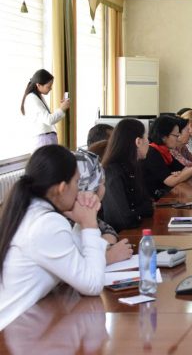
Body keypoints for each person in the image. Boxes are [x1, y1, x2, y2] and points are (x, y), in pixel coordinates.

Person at [0, 145, 106, 330]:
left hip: (22, 326)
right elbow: (93, 284)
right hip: (11, 333)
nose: (79, 189)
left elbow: (73, 265)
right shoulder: (46, 224)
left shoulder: (30, 210)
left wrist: (81, 221)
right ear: (62, 188)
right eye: (77, 182)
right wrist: (89, 224)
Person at [72, 149, 133, 265]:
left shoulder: (82, 208)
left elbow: (108, 229)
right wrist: (108, 256)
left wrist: (106, 247)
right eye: (102, 183)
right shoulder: (63, 218)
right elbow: (73, 267)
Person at [102, 119, 154, 232]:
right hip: (118, 236)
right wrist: (139, 212)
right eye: (146, 138)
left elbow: (148, 207)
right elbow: (122, 219)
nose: (148, 143)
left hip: (135, 231)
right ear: (138, 142)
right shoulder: (112, 172)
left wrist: (136, 212)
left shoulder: (134, 167)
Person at [141, 115, 192, 198]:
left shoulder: (165, 151)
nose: (177, 139)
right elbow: (171, 181)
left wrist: (181, 174)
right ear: (164, 137)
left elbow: (184, 169)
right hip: (153, 200)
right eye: (176, 136)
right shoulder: (152, 152)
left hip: (163, 196)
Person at [20, 69, 70, 150]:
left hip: (46, 139)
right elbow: (49, 120)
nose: (50, 89)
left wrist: (62, 109)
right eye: (48, 86)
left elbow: (48, 119)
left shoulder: (37, 97)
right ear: (38, 85)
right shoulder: (32, 98)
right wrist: (62, 109)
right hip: (44, 140)